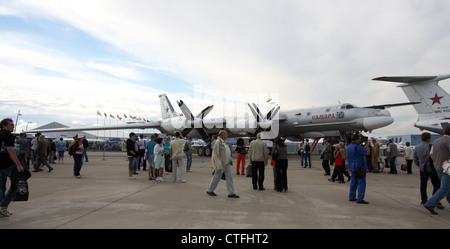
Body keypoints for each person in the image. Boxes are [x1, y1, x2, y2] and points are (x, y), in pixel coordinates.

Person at [0, 118, 24, 217]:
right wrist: (18, 164)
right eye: (11, 125)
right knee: (15, 185)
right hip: (8, 164)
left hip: (0, 165)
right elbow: (10, 150)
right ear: (4, 126)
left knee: (1, 188)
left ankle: (1, 209)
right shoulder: (8, 135)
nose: (13, 126)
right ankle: (3, 206)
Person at [424, 126, 450, 215]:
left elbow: (431, 154)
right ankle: (430, 203)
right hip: (447, 168)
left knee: (447, 188)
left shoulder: (436, 141)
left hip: (438, 167)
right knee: (445, 188)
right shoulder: (448, 141)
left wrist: (436, 161)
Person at [413, 132, 442, 207]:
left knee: (423, 184)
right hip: (431, 167)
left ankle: (424, 200)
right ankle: (435, 199)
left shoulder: (417, 147)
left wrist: (419, 165)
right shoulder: (431, 146)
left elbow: (415, 159)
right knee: (436, 184)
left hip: (422, 168)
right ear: (429, 138)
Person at [207, 130, 239, 198]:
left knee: (229, 177)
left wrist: (229, 159)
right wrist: (218, 164)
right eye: (226, 134)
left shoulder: (224, 142)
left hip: (226, 163)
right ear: (222, 135)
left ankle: (231, 192)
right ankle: (210, 190)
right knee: (216, 177)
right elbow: (215, 154)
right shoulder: (218, 142)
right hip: (221, 164)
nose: (227, 135)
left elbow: (226, 151)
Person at [347, 134, 370, 204]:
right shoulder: (357, 147)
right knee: (361, 183)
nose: (360, 140)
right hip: (359, 167)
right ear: (356, 139)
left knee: (353, 183)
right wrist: (367, 146)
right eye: (359, 139)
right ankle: (360, 198)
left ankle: (351, 196)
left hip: (352, 167)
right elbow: (367, 153)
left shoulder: (349, 146)